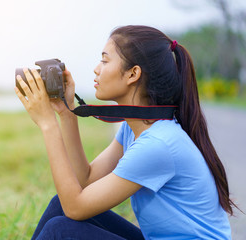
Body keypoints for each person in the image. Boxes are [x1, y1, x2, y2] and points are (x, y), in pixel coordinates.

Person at [14, 25, 236, 239]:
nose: (96, 69)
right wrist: (66, 112)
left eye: (104, 60)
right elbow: (86, 180)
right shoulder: (137, 128)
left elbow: (76, 207)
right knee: (58, 206)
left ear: (133, 74)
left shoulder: (157, 143)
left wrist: (47, 125)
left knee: (60, 230)